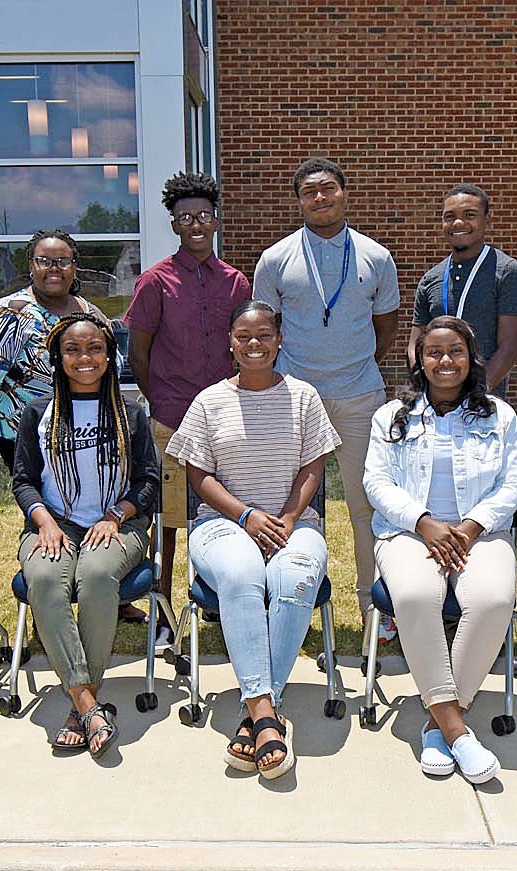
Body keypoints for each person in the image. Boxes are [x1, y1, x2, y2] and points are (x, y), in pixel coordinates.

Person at [166, 301, 341, 780]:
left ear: (279, 339)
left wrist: (285, 518)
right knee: (242, 573)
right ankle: (267, 713)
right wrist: (246, 517)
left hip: (294, 522)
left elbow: (313, 466)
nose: (254, 343)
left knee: (295, 576)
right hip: (222, 523)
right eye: (244, 335)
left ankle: (257, 712)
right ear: (230, 343)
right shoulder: (208, 402)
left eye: (264, 334)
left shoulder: (304, 397)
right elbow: (197, 474)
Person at [364, 317, 517, 784]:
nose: (444, 361)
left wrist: (471, 527)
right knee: (415, 596)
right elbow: (376, 482)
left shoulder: (499, 415)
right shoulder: (391, 416)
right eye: (433, 352)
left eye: (455, 351)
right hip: (409, 532)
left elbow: (513, 481)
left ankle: (437, 723)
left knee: (493, 599)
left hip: (482, 533)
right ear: (420, 358)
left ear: (470, 357)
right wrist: (424, 523)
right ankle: (457, 729)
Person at [253, 157, 400, 621]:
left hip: (359, 396)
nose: (320, 197)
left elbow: (387, 324)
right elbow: (265, 327)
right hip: (294, 399)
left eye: (329, 188)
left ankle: (373, 611)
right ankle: (282, 602)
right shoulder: (275, 259)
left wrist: (357, 365)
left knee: (366, 507)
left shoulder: (376, 256)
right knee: (283, 504)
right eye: (310, 191)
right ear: (298, 201)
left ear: (345, 193)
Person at [14, 312, 160, 756]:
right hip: (53, 524)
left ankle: (81, 702)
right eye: (72, 349)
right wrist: (45, 521)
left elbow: (149, 480)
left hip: (119, 524)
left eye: (95, 348)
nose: (84, 357)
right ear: (58, 358)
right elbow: (23, 479)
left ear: (109, 356)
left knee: (96, 576)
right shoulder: (39, 411)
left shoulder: (130, 413)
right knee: (42, 580)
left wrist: (116, 515)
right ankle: (87, 702)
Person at [126, 172, 251, 634]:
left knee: (221, 509)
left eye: (202, 216)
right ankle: (161, 606)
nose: (195, 224)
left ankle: (215, 599)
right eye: (184, 218)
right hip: (172, 418)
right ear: (174, 225)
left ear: (216, 221)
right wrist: (158, 396)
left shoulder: (236, 282)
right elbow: (139, 350)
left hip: (226, 420)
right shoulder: (156, 282)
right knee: (168, 519)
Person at [0, 228, 109, 472]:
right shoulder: (9, 314)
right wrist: (23, 406)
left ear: (74, 267)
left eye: (63, 261)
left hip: (88, 431)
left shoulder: (90, 313)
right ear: (31, 265)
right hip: (26, 435)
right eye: (44, 261)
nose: (54, 268)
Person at [409, 184, 517, 396]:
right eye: (449, 216)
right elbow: (415, 346)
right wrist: (428, 390)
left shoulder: (506, 271)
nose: (458, 222)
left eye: (469, 215)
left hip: (482, 403)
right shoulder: (430, 279)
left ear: (487, 219)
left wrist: (473, 396)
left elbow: (509, 348)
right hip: (435, 403)